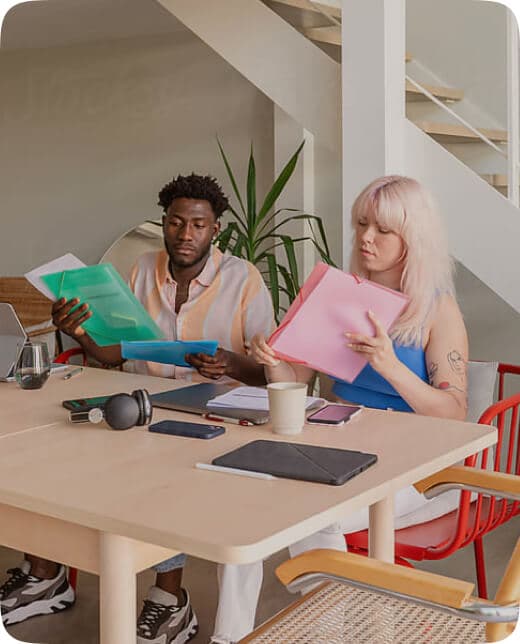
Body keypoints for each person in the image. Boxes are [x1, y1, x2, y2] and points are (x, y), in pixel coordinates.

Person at [0, 173, 275, 644]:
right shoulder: (142, 269)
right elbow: (113, 353)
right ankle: (44, 571)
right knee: (53, 444)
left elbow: (270, 373)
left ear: (216, 230)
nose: (185, 234)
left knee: (159, 476)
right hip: (141, 402)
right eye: (175, 222)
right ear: (163, 223)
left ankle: (169, 601)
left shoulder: (243, 279)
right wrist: (78, 331)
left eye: (198, 225)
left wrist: (229, 362)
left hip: (218, 413)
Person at [210, 175, 469, 644]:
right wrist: (274, 365)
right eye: (361, 224)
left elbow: (453, 413)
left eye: (383, 230)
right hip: (336, 447)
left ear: (414, 239)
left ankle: (329, 632)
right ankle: (228, 638)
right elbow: (296, 384)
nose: (366, 238)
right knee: (245, 507)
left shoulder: (436, 309)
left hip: (413, 468)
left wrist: (390, 366)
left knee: (316, 514)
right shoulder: (339, 295)